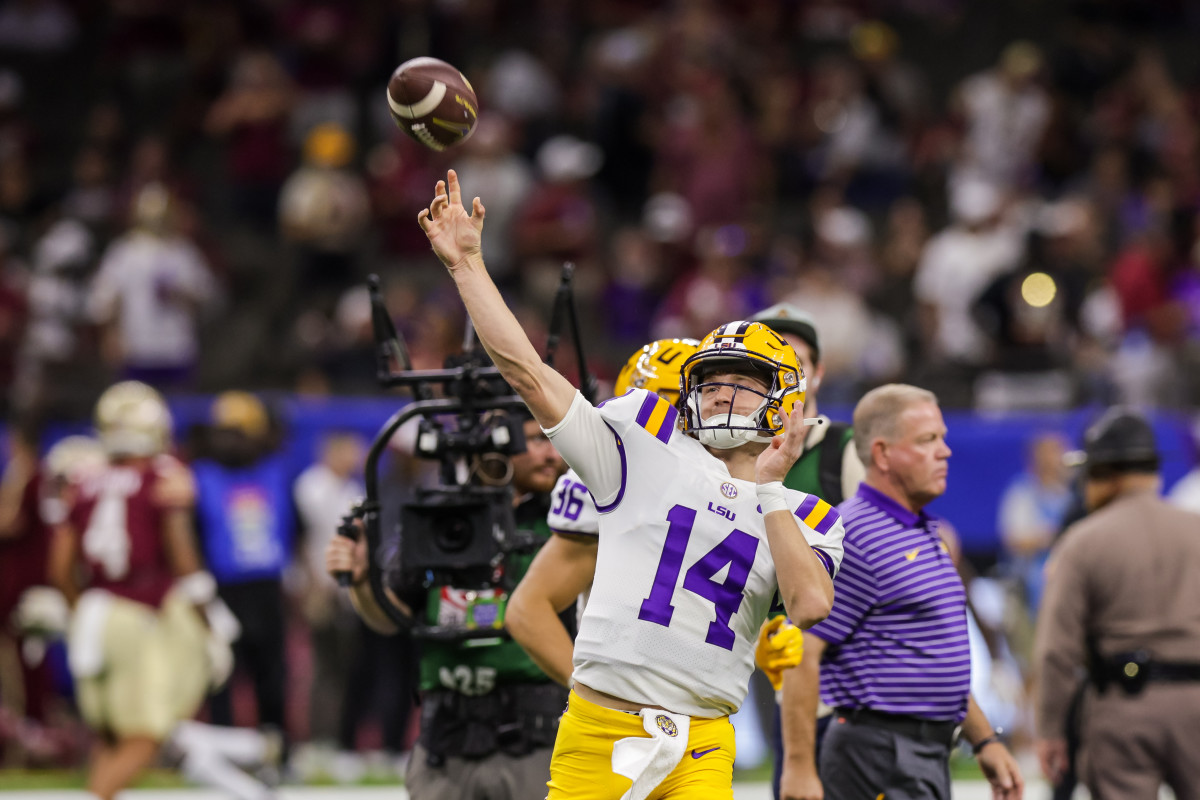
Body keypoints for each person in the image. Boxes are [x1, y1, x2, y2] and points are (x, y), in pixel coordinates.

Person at [415, 170, 844, 800]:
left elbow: (809, 606)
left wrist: (771, 490)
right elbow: (529, 374)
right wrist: (468, 267)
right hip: (601, 728)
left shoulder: (808, 514)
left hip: (704, 741)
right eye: (711, 382)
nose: (721, 395)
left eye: (742, 384)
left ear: (785, 402)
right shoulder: (643, 444)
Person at [781, 384, 1023, 800]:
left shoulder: (923, 531)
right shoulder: (853, 535)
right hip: (876, 754)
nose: (945, 451)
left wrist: (985, 740)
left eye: (942, 437)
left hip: (921, 750)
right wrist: (799, 767)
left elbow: (930, 659)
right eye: (928, 440)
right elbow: (802, 652)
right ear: (882, 454)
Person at [46, 381, 275, 800]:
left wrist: (80, 611)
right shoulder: (163, 476)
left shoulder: (82, 478)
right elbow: (182, 557)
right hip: (136, 614)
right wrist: (211, 618)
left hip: (94, 611)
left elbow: (59, 567)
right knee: (146, 737)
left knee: (113, 737)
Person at [325, 410, 568, 800]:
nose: (552, 454)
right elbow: (391, 618)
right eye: (536, 440)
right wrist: (362, 580)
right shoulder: (439, 519)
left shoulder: (569, 522)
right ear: (494, 447)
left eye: (554, 440)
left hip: (538, 739)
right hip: (445, 742)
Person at [1034, 407, 1200, 800]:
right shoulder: (1195, 528)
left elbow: (1056, 650)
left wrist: (1051, 728)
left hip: (1124, 704)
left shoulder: (1084, 541)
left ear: (1102, 474)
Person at [749, 304, 865, 800]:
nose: (786, 372)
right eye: (770, 363)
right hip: (751, 653)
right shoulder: (727, 452)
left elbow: (876, 556)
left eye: (795, 361)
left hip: (836, 665)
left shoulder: (846, 449)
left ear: (818, 373)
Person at [191, 391, 294, 738]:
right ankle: (223, 747)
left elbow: (295, 529)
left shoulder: (275, 472)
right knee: (220, 675)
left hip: (267, 587)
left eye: (239, 432)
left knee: (272, 675)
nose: (231, 441)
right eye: (225, 432)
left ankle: (275, 745)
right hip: (222, 588)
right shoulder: (199, 477)